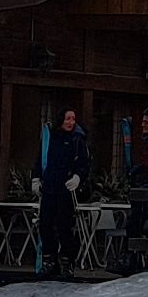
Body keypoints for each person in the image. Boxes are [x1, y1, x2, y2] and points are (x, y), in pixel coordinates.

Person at [37, 108, 88, 274]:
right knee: (45, 224)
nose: (71, 122)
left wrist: (78, 176)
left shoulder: (77, 139)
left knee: (64, 224)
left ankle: (67, 260)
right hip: (49, 186)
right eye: (68, 119)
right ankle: (49, 259)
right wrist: (36, 177)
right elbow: (40, 158)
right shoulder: (50, 138)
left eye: (73, 119)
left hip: (66, 188)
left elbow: (84, 162)